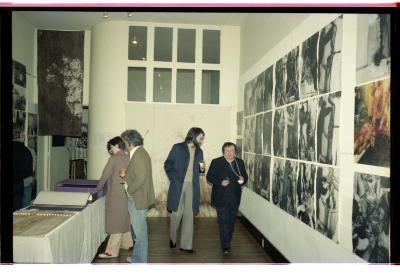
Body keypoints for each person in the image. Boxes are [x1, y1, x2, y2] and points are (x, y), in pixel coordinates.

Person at [164, 127, 205, 253]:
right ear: (193, 136)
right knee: (176, 214)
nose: (202, 140)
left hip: (192, 186)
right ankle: (172, 238)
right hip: (178, 185)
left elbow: (200, 170)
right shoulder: (177, 148)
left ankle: (186, 245)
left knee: (189, 215)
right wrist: (173, 178)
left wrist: (202, 169)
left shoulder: (199, 151)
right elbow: (167, 164)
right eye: (201, 138)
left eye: (203, 139)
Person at [206, 142, 248, 255]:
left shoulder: (240, 162)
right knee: (223, 221)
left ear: (235, 152)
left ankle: (227, 241)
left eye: (232, 151)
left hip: (235, 197)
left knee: (231, 221)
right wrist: (220, 182)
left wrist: (242, 179)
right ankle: (225, 246)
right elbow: (209, 176)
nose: (230, 153)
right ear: (223, 152)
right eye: (227, 151)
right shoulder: (216, 162)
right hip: (220, 197)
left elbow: (245, 176)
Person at [121, 129, 155, 263]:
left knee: (140, 233)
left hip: (137, 197)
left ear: (129, 142)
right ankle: (137, 257)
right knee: (137, 231)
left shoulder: (139, 155)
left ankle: (140, 261)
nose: (123, 144)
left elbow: (141, 178)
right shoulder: (137, 153)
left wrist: (129, 190)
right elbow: (135, 174)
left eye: (124, 142)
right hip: (137, 197)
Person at [97, 136, 133, 258]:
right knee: (124, 216)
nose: (110, 150)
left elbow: (105, 174)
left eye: (111, 147)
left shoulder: (114, 158)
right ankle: (127, 243)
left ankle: (111, 251)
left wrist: (97, 188)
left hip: (116, 193)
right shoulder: (129, 156)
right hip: (127, 192)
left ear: (117, 146)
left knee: (116, 220)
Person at [13, 125, 33, 212]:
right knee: (23, 212)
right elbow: (30, 171)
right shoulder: (28, 151)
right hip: (22, 185)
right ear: (21, 136)